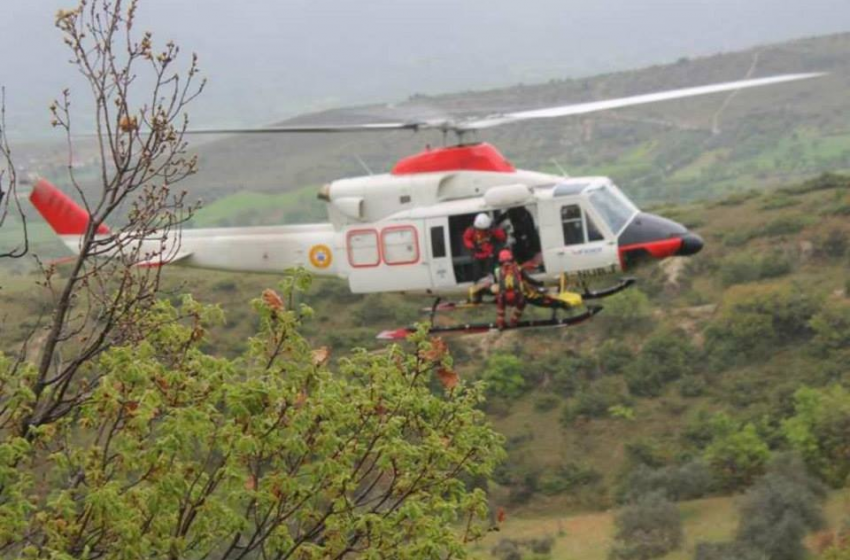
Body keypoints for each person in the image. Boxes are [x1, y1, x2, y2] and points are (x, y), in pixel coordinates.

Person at [493, 249, 544, 329]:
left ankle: (500, 323)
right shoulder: (517, 268)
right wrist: (539, 283)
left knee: (500, 308)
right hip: (516, 296)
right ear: (511, 258)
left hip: (503, 297)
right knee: (522, 302)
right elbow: (528, 279)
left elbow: (496, 284)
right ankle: (514, 321)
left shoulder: (497, 271)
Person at [463, 212, 506, 283]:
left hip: (489, 255)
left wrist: (495, 230)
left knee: (491, 273)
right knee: (477, 274)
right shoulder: (471, 230)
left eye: (483, 229)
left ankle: (492, 286)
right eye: (479, 229)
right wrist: (473, 247)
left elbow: (502, 237)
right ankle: (477, 286)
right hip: (477, 255)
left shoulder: (492, 230)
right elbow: (466, 238)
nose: (481, 231)